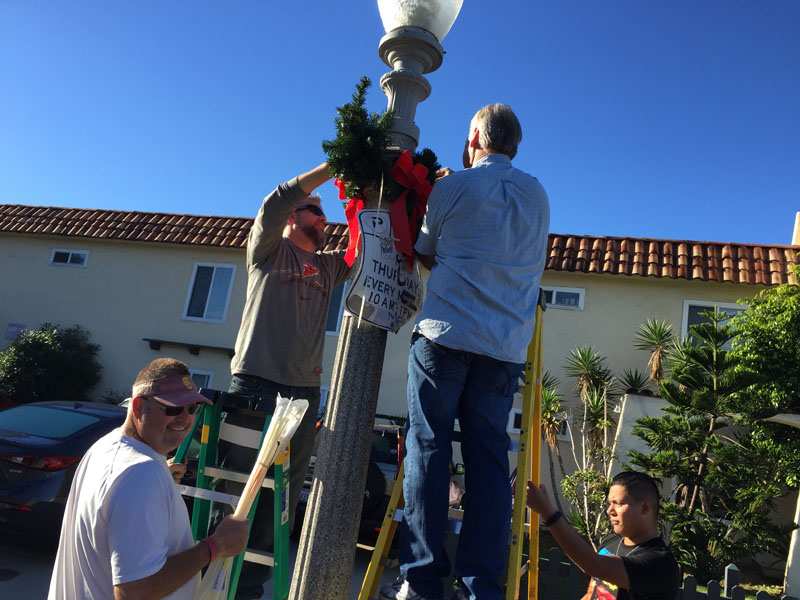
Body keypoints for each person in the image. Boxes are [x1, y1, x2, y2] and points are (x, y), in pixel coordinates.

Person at [383, 104, 551, 600]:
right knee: (489, 461)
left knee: (429, 450)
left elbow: (426, 250)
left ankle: (422, 579)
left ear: (477, 135)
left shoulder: (452, 188)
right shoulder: (537, 193)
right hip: (503, 347)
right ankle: (481, 584)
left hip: (446, 334)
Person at [221, 161, 350, 599]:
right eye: (315, 209)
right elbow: (273, 199)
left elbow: (367, 247)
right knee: (238, 486)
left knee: (282, 497)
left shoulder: (328, 268)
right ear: (293, 216)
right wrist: (335, 166)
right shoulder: (267, 251)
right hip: (255, 382)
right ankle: (216, 577)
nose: (324, 218)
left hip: (304, 393)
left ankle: (250, 589)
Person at [48, 358, 249, 600]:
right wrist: (216, 546)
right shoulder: (141, 474)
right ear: (137, 407)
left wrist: (161, 480)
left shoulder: (105, 448)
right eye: (172, 408)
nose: (184, 419)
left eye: (192, 408)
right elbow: (135, 593)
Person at [526, 471, 681, 600]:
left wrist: (547, 512)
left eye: (618, 503)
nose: (609, 511)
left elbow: (594, 565)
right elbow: (592, 594)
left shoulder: (660, 563)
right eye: (609, 503)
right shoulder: (610, 543)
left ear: (645, 508)